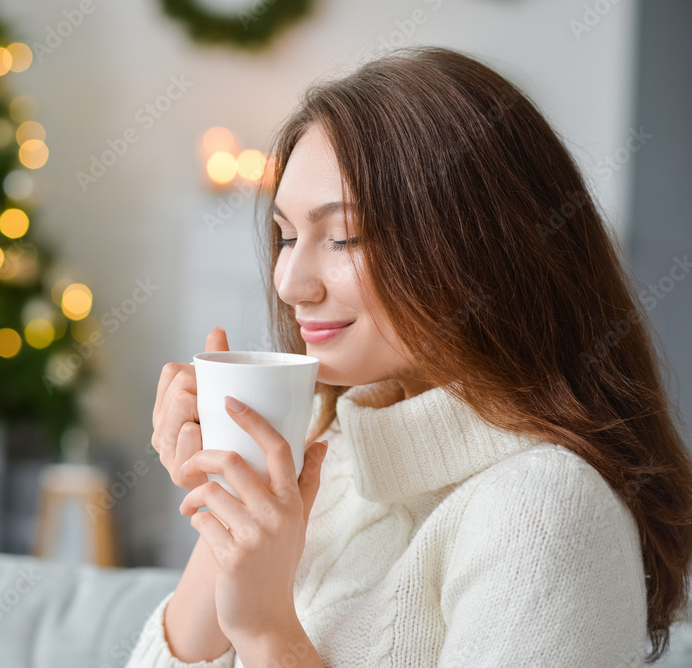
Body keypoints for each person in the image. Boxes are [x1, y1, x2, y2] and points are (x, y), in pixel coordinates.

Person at [126, 45, 692, 667]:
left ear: (479, 246)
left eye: (342, 237)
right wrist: (238, 494)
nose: (289, 283)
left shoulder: (543, 513)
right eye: (286, 236)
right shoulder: (330, 451)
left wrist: (267, 632)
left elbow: (262, 626)